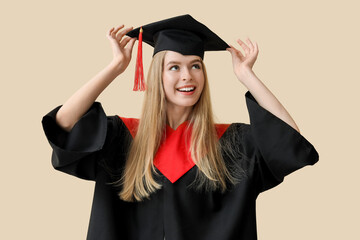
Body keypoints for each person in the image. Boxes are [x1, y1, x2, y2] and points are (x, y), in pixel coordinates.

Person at [42, 15, 319, 240]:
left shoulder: (233, 144)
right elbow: (64, 124)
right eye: (174, 67)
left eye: (195, 65)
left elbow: (290, 142)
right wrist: (114, 67)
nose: (188, 75)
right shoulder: (121, 138)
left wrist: (247, 75)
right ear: (157, 75)